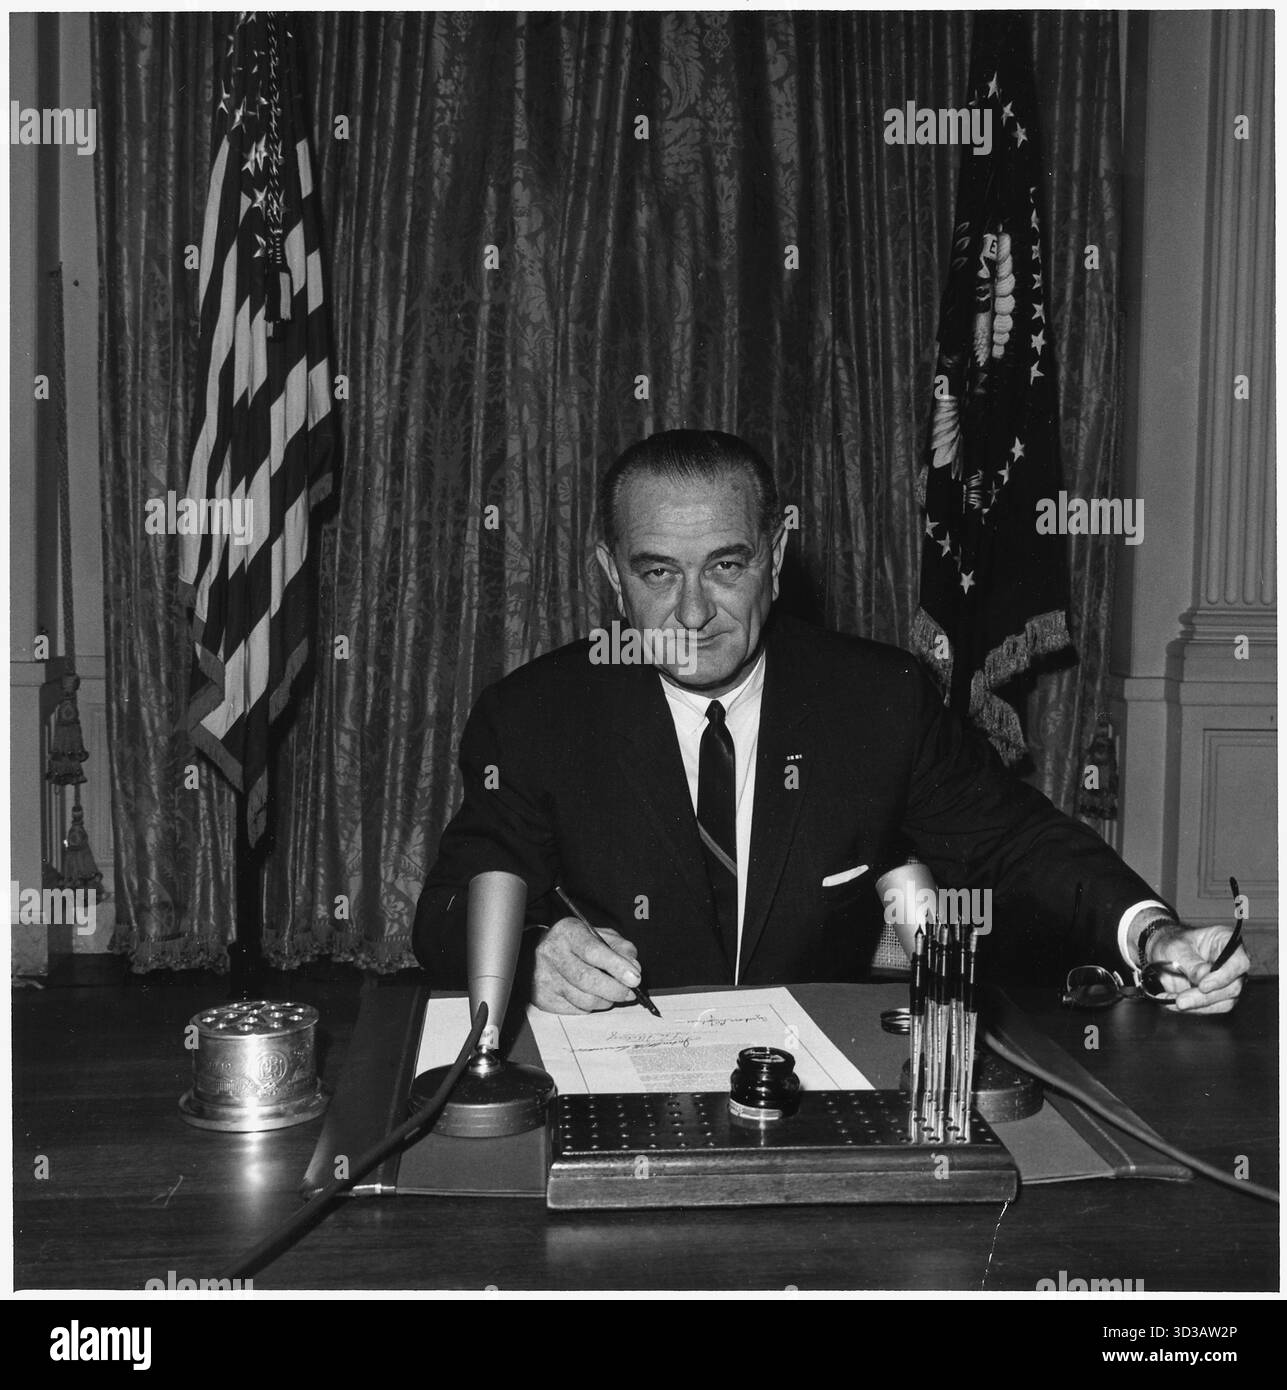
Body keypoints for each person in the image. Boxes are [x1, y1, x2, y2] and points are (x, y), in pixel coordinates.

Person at [414, 429, 1249, 1016]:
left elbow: (1016, 842)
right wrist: (530, 955)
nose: (694, 611)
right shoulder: (532, 717)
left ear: (775, 557)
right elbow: (445, 911)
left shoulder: (877, 699)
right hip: (611, 1071)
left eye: (727, 566)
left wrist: (1153, 935)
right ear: (610, 574)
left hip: (816, 1076)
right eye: (658, 572)